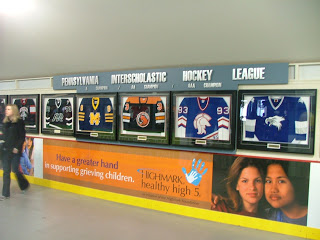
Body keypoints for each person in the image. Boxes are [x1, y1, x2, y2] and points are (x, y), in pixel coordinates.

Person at [264, 160, 308, 226]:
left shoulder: (314, 217)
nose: (273, 189)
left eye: (281, 181)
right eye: (269, 181)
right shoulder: (266, 216)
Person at [0, 104, 30, 200]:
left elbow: (22, 137)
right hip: (5, 150)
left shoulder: (19, 122)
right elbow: (4, 136)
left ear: (14, 110)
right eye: (6, 109)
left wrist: (17, 147)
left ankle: (24, 184)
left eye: (8, 109)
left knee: (15, 170)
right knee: (6, 172)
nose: (6, 111)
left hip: (15, 151)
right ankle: (5, 194)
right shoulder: (5, 123)